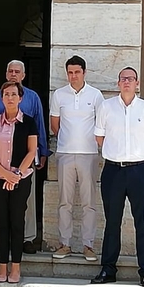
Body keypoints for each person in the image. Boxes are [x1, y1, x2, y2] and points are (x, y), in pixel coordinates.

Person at [90, 67, 144, 287]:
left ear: (137, 83)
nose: (127, 82)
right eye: (123, 79)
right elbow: (99, 137)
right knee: (112, 222)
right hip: (113, 170)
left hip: (140, 171)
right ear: (118, 83)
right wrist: (118, 155)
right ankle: (108, 269)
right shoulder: (106, 107)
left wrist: (135, 156)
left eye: (131, 79)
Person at [0, 60, 48, 254]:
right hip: (0, 158)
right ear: (6, 74)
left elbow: (39, 122)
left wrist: (42, 151)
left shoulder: (33, 97)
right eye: (10, 71)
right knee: (0, 203)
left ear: (23, 75)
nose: (13, 74)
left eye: (17, 71)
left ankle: (27, 238)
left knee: (25, 200)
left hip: (26, 158)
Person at [49, 55, 104, 261]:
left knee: (89, 202)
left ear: (84, 72)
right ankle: (65, 244)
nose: (73, 76)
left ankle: (88, 245)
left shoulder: (96, 95)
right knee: (65, 201)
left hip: (89, 154)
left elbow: (101, 124)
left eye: (77, 72)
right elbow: (55, 124)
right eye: (70, 72)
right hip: (65, 153)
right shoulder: (59, 95)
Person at [0, 82, 38, 284]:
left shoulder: (29, 122)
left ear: (20, 98)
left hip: (20, 179)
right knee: (2, 222)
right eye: (6, 94)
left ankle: (15, 267)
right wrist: (5, 174)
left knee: (17, 222)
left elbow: (31, 151)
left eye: (13, 94)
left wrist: (15, 174)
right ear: (1, 97)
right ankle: (2, 267)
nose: (10, 98)